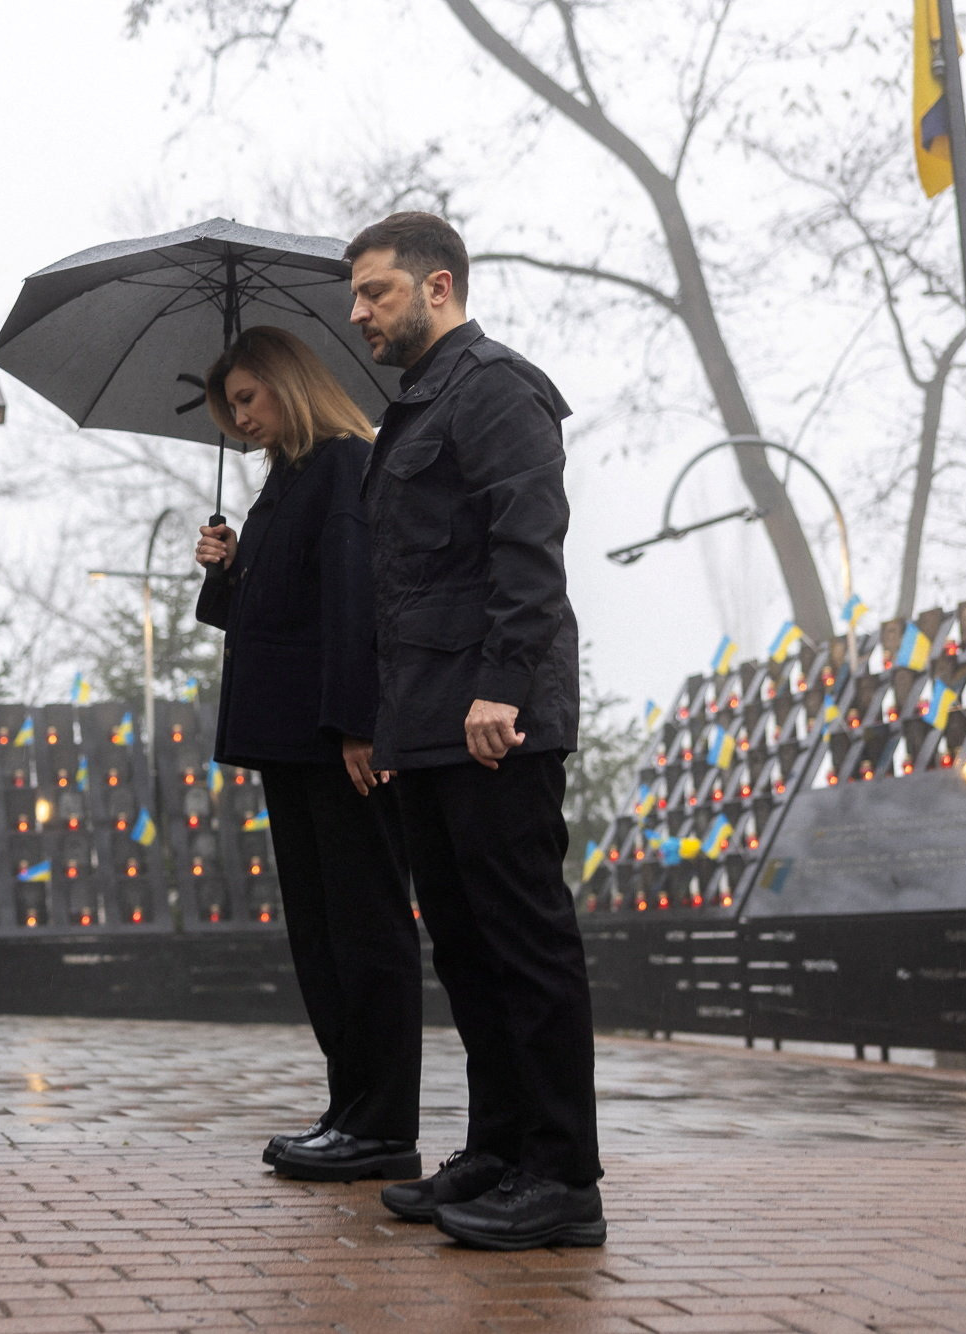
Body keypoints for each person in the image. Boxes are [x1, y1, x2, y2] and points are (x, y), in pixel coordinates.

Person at [344, 212, 605, 1249]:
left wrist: (500, 686)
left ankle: (561, 1176)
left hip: (493, 717)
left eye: (376, 293)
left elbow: (526, 543)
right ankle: (497, 1148)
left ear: (437, 286)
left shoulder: (494, 387)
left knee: (522, 943)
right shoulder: (412, 408)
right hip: (427, 721)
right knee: (465, 947)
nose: (358, 313)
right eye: (356, 297)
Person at [191, 325, 423, 1185]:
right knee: (321, 934)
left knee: (364, 929)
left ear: (290, 382)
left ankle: (383, 1125)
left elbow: (357, 602)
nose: (239, 419)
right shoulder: (286, 481)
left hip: (337, 742)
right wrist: (229, 570)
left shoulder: (340, 466)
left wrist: (359, 724)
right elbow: (271, 613)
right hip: (291, 740)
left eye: (247, 398)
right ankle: (350, 1108)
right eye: (229, 408)